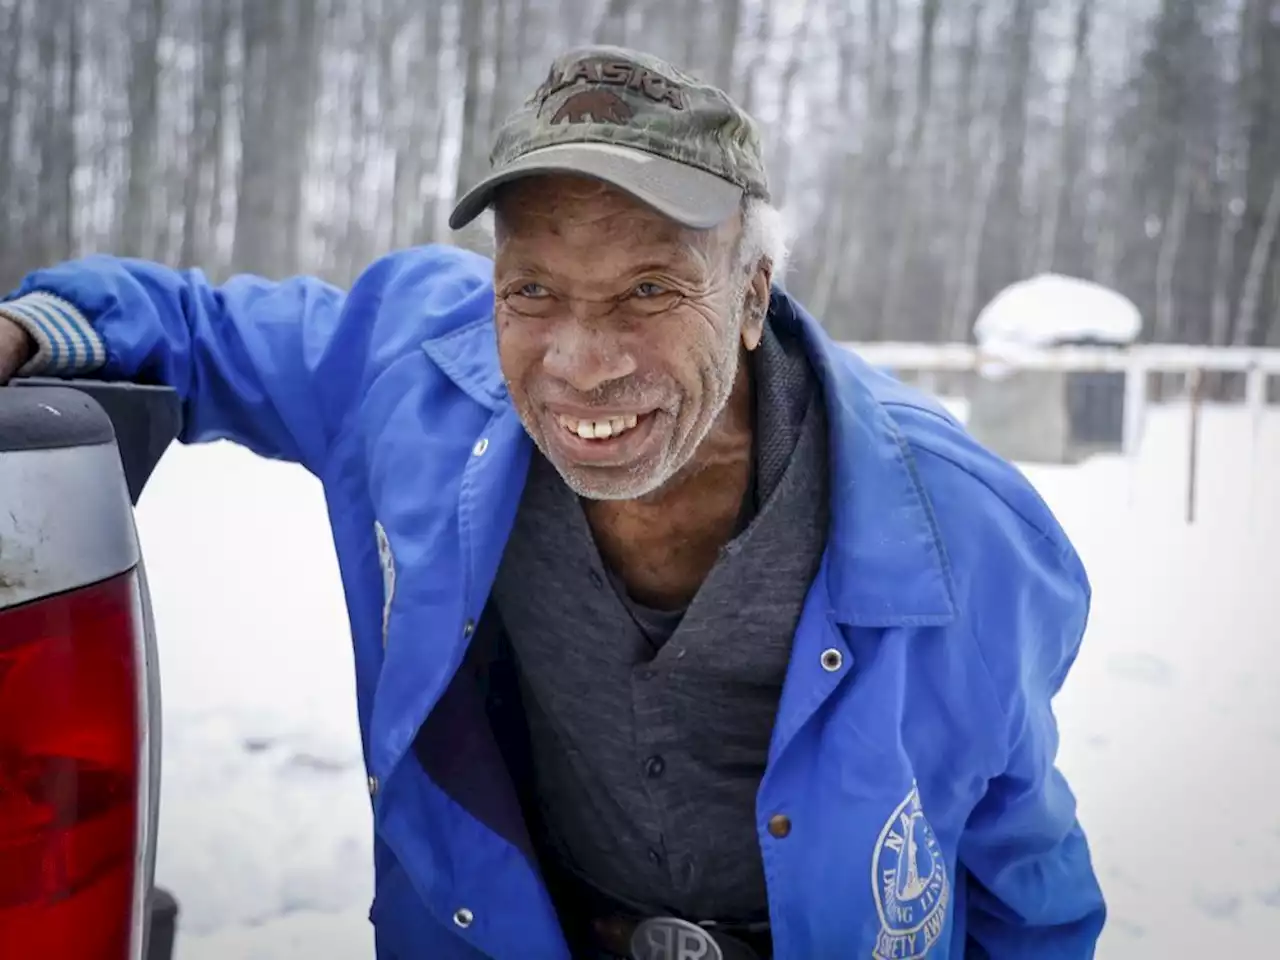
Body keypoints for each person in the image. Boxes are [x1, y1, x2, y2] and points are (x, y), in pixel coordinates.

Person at [0, 45, 1104, 960]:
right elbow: (195, 328)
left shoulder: (957, 534)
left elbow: (1021, 869)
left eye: (649, 289)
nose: (581, 362)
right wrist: (28, 327)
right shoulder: (421, 376)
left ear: (753, 294)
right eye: (532, 290)